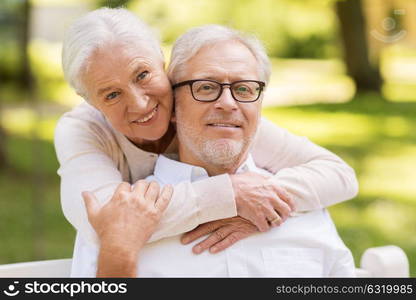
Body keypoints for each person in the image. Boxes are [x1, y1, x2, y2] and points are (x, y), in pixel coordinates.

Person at [55, 7, 358, 262]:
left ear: (164, 63)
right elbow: (105, 225)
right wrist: (230, 196)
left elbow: (338, 175)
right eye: (111, 95)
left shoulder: (207, 109)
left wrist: (261, 204)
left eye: (143, 75)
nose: (140, 103)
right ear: (90, 102)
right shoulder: (83, 130)